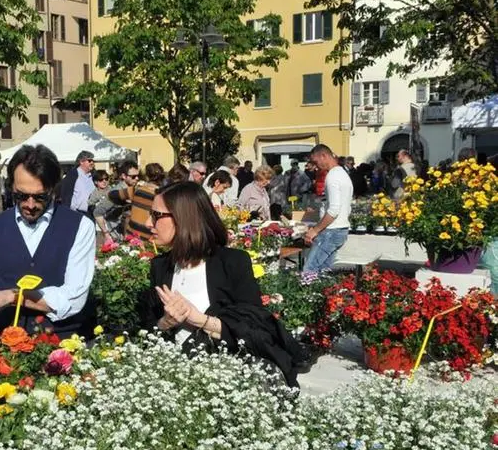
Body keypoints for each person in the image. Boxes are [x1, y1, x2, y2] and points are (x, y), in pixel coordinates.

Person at [140, 181, 305, 387]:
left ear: (184, 218)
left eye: (156, 215)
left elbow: (256, 330)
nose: (148, 223)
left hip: (227, 381)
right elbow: (147, 329)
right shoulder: (160, 266)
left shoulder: (232, 263)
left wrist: (199, 319)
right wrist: (165, 323)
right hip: (173, 380)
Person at [0, 144, 96, 336]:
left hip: (62, 343)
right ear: (11, 186)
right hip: (5, 344)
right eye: (21, 195)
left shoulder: (80, 227)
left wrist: (11, 296)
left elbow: (73, 297)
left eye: (40, 197)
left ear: (54, 189)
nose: (30, 205)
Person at [304, 144, 354, 272]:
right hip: (340, 228)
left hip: (331, 230)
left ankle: (308, 290)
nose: (315, 166)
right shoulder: (342, 173)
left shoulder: (332, 176)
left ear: (324, 156)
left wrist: (315, 230)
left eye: (316, 162)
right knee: (324, 271)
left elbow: (333, 210)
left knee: (309, 270)